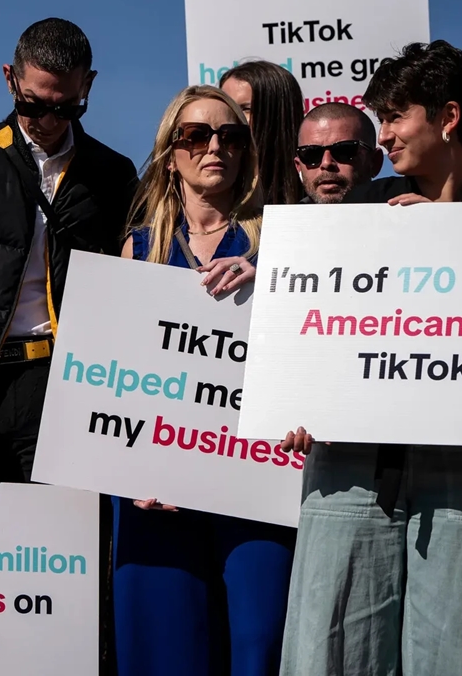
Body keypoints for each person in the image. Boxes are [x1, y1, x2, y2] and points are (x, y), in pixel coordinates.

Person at [278, 41, 462, 676]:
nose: (381, 138)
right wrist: (294, 402)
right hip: (356, 466)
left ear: (448, 117)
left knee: (459, 651)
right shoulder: (359, 208)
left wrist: (447, 230)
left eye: (392, 119)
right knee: (335, 650)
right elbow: (304, 316)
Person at [0, 18, 138, 499]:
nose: (50, 120)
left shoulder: (114, 174)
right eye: (32, 104)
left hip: (73, 389)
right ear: (9, 79)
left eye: (67, 107)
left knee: (71, 552)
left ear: (88, 86)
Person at [112, 85, 294, 676]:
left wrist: (270, 280)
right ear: (172, 154)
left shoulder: (283, 244)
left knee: (259, 645)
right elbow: (112, 378)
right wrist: (126, 463)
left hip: (256, 484)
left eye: (230, 136)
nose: (214, 146)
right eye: (196, 135)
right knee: (165, 653)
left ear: (245, 152)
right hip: (155, 493)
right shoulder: (136, 251)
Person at [220, 61, 305, 205]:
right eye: (226, 108)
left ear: (277, 114)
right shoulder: (211, 186)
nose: (230, 118)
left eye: (245, 109)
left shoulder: (315, 189)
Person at [295, 102, 382, 204]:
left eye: (344, 151)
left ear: (375, 162)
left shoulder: (402, 214)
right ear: (298, 166)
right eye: (312, 154)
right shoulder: (281, 219)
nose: (326, 163)